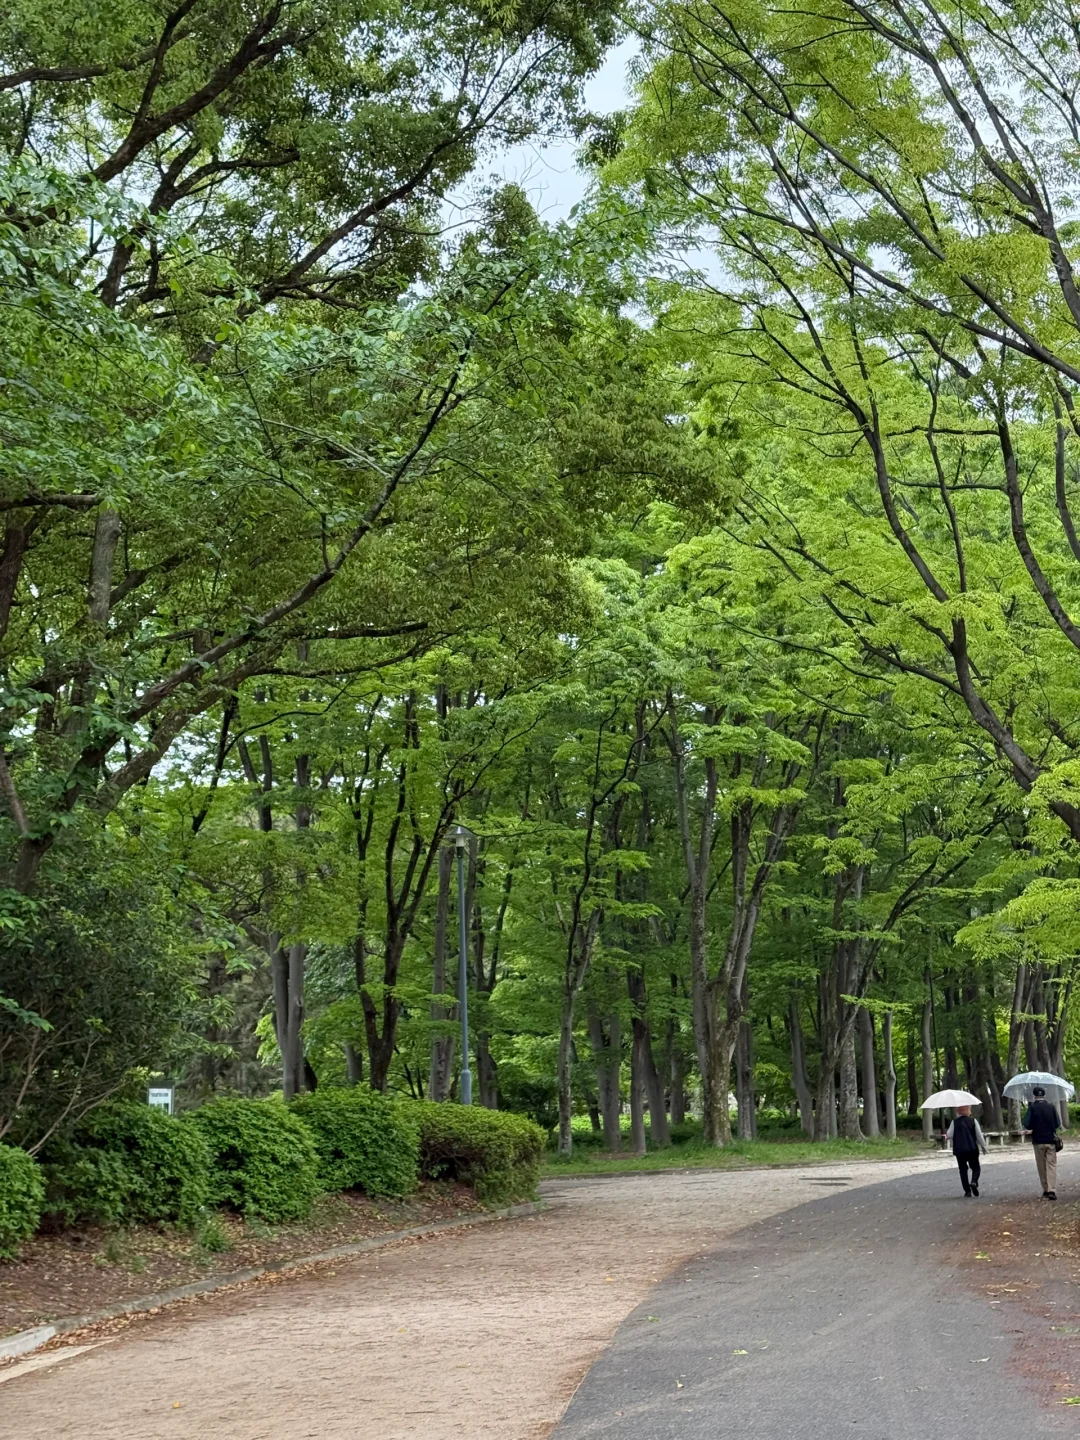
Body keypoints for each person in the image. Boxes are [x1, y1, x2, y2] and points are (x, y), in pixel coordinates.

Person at [1023, 1086, 1061, 1200]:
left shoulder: (1032, 1108)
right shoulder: (1051, 1107)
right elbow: (1057, 1123)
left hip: (1038, 1141)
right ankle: (1052, 1190)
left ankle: (1045, 1189)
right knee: (1051, 1165)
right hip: (1051, 1140)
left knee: (1041, 1166)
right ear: (1044, 1095)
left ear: (1034, 1096)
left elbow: (1027, 1123)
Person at [947, 1105, 988, 1196]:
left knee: (963, 1170)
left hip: (959, 1150)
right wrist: (984, 1147)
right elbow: (979, 1136)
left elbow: (949, 1135)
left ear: (958, 1112)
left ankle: (967, 1191)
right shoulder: (973, 1121)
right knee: (976, 1167)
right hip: (972, 1148)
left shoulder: (954, 1122)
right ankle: (974, 1181)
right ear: (968, 1111)